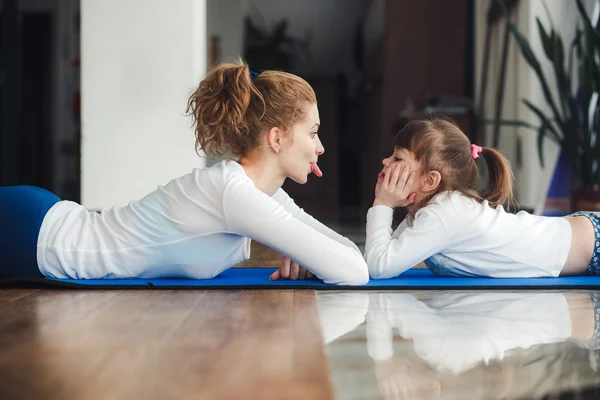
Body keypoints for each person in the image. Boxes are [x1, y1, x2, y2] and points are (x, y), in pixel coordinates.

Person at [0, 60, 369, 286]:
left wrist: (312, 255)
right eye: (314, 132)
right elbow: (354, 272)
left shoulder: (263, 193)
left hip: (41, 224)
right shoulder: (234, 193)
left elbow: (349, 255)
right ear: (277, 138)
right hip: (38, 238)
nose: (320, 147)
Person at [365, 117, 596, 279]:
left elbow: (380, 266)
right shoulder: (430, 211)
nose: (386, 162)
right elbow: (382, 255)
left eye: (397, 159)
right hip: (582, 236)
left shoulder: (442, 214)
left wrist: (383, 204)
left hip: (592, 243)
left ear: (429, 181)